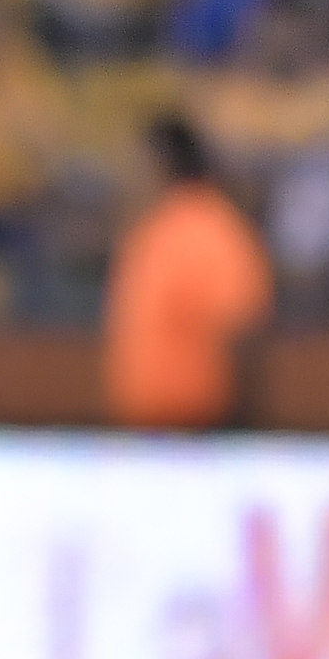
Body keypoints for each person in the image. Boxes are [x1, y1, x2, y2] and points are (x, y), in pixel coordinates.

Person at [103, 113, 272, 426]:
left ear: (162, 162)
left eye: (136, 163)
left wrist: (236, 430)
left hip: (197, 433)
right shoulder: (156, 228)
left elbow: (241, 330)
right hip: (153, 430)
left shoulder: (206, 227)